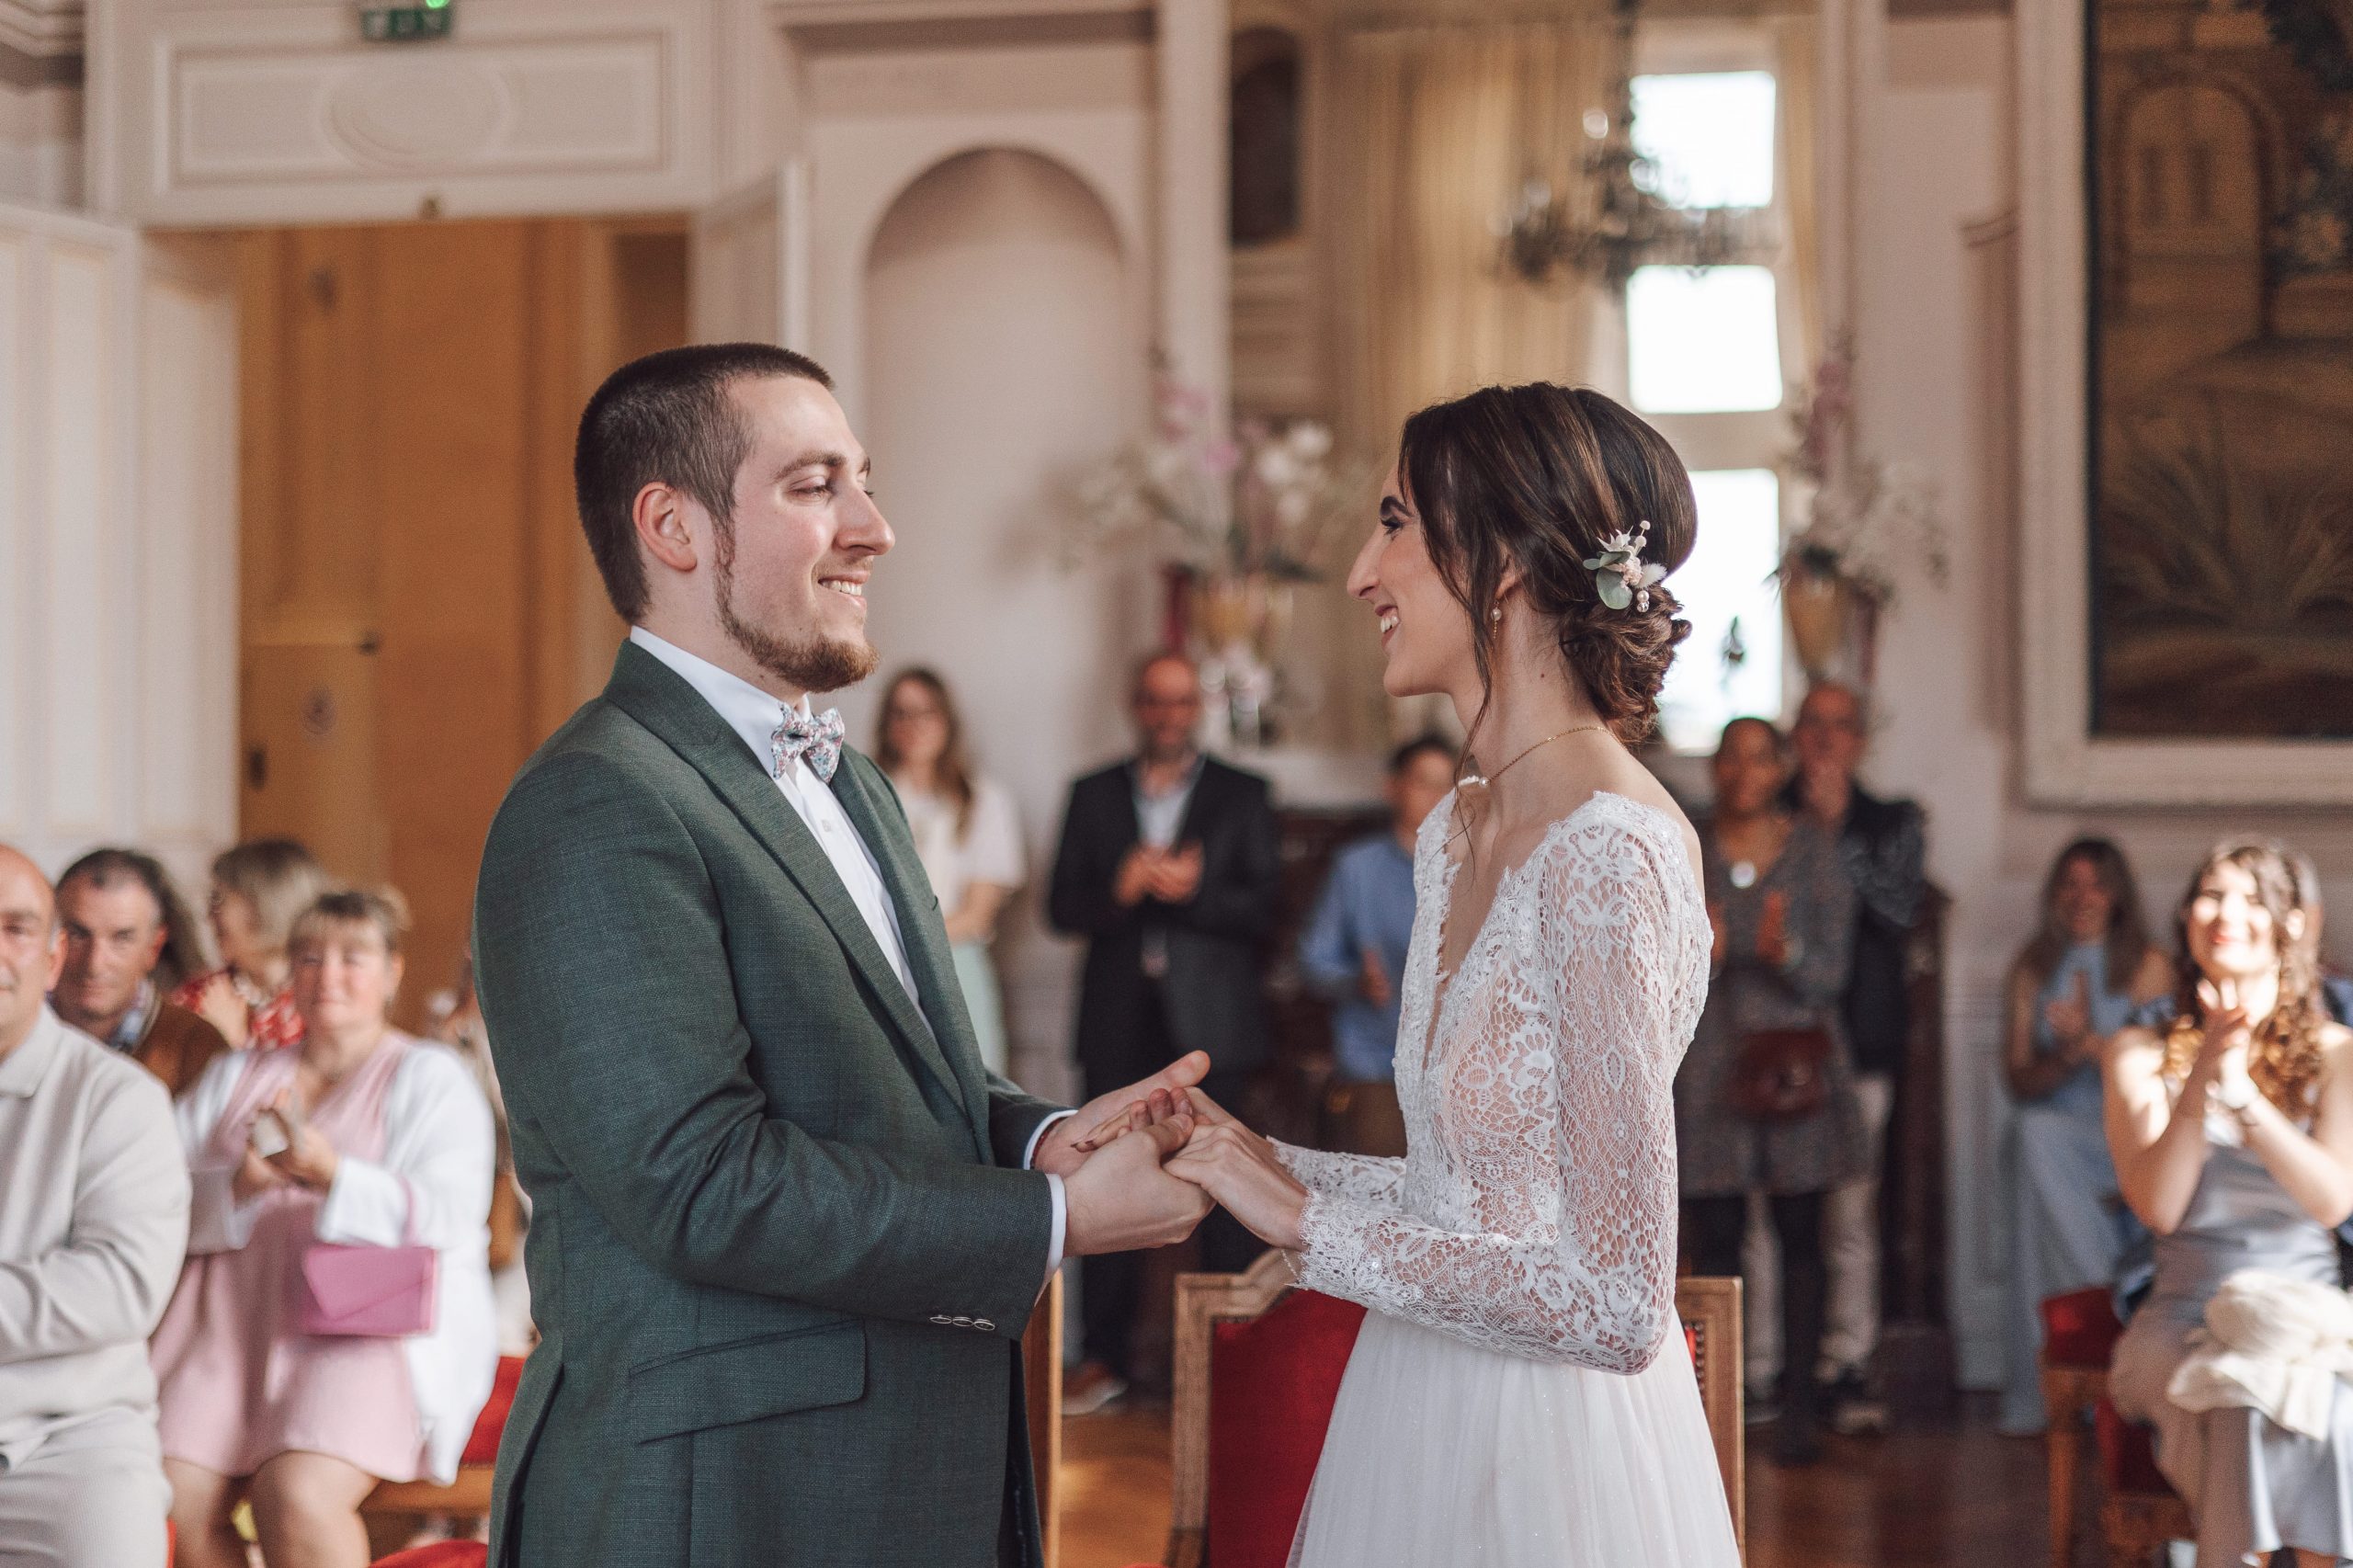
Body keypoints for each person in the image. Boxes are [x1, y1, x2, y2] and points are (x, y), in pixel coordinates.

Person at [471, 343, 1213, 1568]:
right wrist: (1053, 1213)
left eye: (862, 480)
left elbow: (891, 1084)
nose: (875, 528)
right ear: (674, 527)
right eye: (817, 486)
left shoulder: (852, 781)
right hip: (720, 1499)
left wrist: (1037, 1135)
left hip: (892, 1473)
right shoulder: (597, 801)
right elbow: (699, 1180)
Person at [1109, 382, 1741, 1565]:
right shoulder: (1458, 828)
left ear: (1498, 560)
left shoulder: (1611, 849)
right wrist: (1249, 1153)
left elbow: (1612, 1300)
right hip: (1416, 1396)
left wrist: (1299, 1219)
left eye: (1395, 521)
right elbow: (1472, 1196)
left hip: (1552, 1460)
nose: (1361, 571)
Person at [153, 888, 498, 1568]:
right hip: (227, 1330)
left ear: (393, 971)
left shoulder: (430, 1076)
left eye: (352, 957)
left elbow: (452, 1211)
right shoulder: (236, 1075)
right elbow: (152, 1197)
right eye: (308, 957)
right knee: (170, 1501)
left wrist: (335, 1174)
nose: (327, 975)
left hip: (365, 1338)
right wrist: (240, 1185)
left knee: (297, 1496)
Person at [2105, 838, 2353, 1568]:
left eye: (2251, 898)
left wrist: (2245, 1102)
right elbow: (2160, 1208)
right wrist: (2206, 1070)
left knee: (2322, 1403)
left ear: (2290, 925)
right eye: (2211, 895)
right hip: (2182, 1315)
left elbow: (2334, 1201)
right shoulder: (2138, 1051)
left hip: (2306, 1317)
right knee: (2239, 1397)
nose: (2227, 914)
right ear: (2186, 917)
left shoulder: (2339, 1052)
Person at [1048, 650, 1281, 1409]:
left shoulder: (1245, 794)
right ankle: (1103, 1358)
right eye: (1155, 700)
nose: (1168, 713)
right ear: (1135, 705)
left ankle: (1236, 1354)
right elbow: (1062, 909)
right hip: (1118, 1020)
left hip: (1210, 1024)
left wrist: (1193, 891)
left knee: (1229, 1182)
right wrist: (1119, 891)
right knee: (1100, 1181)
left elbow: (1266, 912)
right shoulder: (1090, 793)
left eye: (1181, 701)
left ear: (1199, 709)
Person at [1678, 716, 1863, 1464]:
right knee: (1716, 1246)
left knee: (1801, 1242)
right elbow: (1653, 961)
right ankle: (1715, 1406)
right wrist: (1710, 958)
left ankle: (1799, 1411)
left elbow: (1833, 976)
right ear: (1715, 767)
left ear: (1780, 767)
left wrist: (1785, 954)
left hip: (1798, 1073)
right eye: (1731, 757)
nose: (1744, 771)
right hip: (1709, 1071)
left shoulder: (1815, 852)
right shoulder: (1684, 846)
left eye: (1761, 757)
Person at [0, 845, 189, 1568]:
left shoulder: (117, 1099)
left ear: (50, 960)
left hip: (71, 1442)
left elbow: (119, 1288)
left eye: (16, 928)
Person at [1996, 838, 2172, 1435]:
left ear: (2117, 893)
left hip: (2127, 1128)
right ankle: (2080, 1334)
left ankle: (2112, 1327)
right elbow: (2019, 1080)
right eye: (2070, 883)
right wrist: (2066, 1059)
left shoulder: (2148, 965)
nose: (2083, 896)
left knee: (2037, 1139)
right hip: (2059, 1124)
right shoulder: (2032, 967)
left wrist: (2091, 1042)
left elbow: (2168, 1073)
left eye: (2096, 883)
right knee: (2033, 1131)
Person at [1786, 679, 1926, 1429]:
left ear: (1861, 741)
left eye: (1841, 726)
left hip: (1859, 1048)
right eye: (1813, 725)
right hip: (1768, 1048)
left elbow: (1902, 910)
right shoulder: (1766, 810)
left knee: (1848, 1216)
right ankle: (1771, 1368)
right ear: (1795, 734)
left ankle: (1847, 1364)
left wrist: (1838, 836)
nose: (1826, 740)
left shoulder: (1892, 820)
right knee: (1769, 1214)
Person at [1297, 733, 1457, 1158]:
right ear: (1393, 787)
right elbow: (1314, 959)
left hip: (1459, 1069)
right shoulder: (1356, 867)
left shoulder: (1473, 866)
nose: (1438, 796)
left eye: (1448, 784)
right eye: (1424, 781)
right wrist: (1357, 982)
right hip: (1376, 1061)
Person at [875, 666, 1027, 1075]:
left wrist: (898, 938)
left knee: (972, 1092)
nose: (913, 726)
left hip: (955, 967)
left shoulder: (983, 801)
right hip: (880, 969)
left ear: (947, 722)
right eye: (901, 713)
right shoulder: (865, 797)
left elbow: (978, 914)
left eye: (927, 713)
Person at [51, 847, 231, 1096]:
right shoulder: (12, 1029)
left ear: (153, 948)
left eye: (121, 939)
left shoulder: (197, 1047)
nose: (95, 963)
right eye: (77, 934)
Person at [172, 838, 333, 1051]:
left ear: (265, 906)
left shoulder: (327, 1000)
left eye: (219, 899)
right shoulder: (198, 995)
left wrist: (231, 1044)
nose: (209, 915)